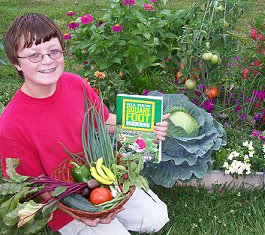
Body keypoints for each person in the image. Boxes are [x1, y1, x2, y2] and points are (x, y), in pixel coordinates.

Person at [0, 13, 170, 235]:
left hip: (101, 177)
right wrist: (76, 213)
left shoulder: (75, 84)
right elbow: (36, 184)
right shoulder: (11, 124)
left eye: (54, 51)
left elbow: (105, 121)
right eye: (34, 55)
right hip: (66, 199)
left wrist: (147, 126)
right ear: (16, 63)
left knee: (157, 218)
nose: (47, 60)